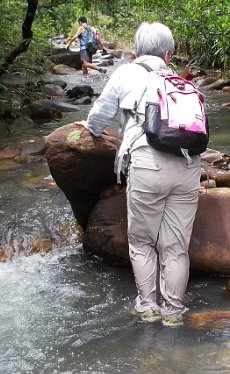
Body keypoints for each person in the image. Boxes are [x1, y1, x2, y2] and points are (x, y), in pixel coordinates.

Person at [84, 22, 202, 327]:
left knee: (141, 242)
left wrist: (94, 132)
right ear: (168, 53)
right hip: (188, 166)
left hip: (148, 164)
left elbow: (97, 118)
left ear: (136, 51)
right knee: (176, 247)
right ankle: (174, 312)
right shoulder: (179, 80)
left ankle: (149, 307)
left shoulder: (125, 73)